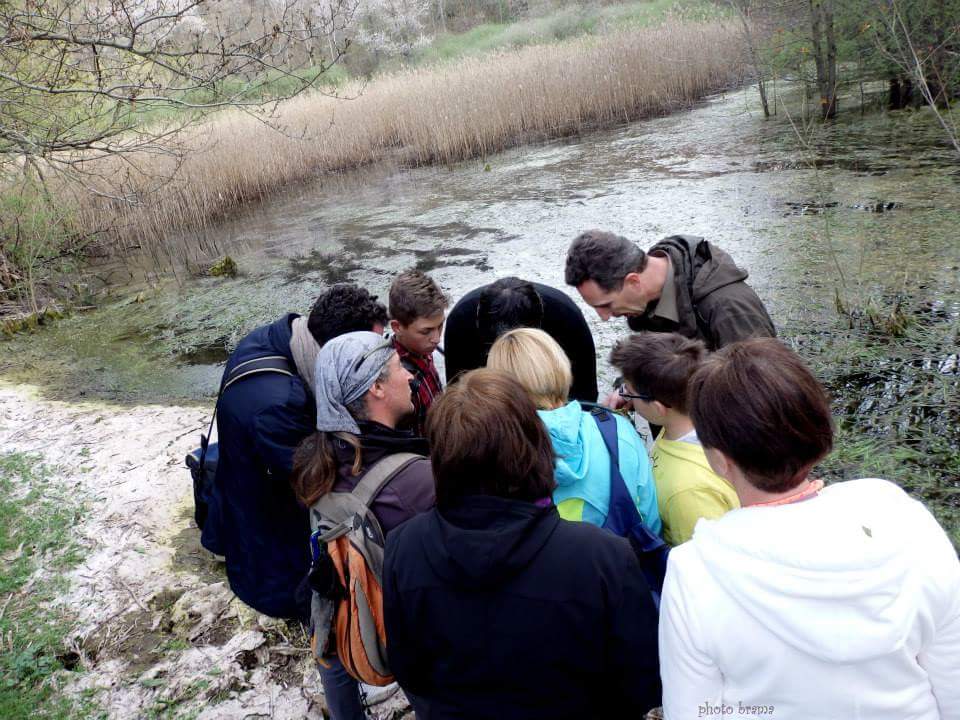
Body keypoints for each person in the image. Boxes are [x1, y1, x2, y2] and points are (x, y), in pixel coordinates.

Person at [659, 339, 960, 720]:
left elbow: (691, 712)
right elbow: (952, 683)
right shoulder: (904, 517)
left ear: (720, 459)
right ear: (818, 427)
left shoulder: (693, 570)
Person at [383, 369, 662, 720]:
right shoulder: (602, 557)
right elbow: (642, 682)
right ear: (534, 445)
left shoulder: (403, 547)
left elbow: (408, 668)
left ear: (441, 458)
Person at [201, 284, 388, 621]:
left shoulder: (280, 337)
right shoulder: (277, 405)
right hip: (269, 539)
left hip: (246, 482)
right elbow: (319, 482)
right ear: (336, 350)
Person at [292, 331, 435, 720]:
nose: (408, 375)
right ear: (376, 388)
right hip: (413, 640)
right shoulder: (416, 482)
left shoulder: (315, 461)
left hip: (359, 618)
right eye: (396, 368)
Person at [487, 327, 660, 534]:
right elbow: (649, 519)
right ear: (560, 367)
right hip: (615, 560)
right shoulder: (617, 430)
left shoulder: (494, 449)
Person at [609, 332, 738, 546]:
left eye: (629, 392)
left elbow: (702, 564)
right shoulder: (699, 420)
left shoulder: (688, 491)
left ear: (659, 408)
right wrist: (634, 396)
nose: (625, 396)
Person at [564, 230, 775, 350]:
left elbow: (763, 399)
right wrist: (631, 387)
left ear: (634, 281)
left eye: (606, 305)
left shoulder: (730, 309)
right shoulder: (643, 300)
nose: (603, 317)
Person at [443, 277, 598, 402]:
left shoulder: (567, 318)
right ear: (478, 322)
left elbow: (585, 392)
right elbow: (457, 392)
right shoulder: (461, 321)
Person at [388, 269, 448, 436]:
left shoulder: (421, 349)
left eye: (440, 326)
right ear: (397, 327)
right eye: (426, 331)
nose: (436, 339)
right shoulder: (396, 379)